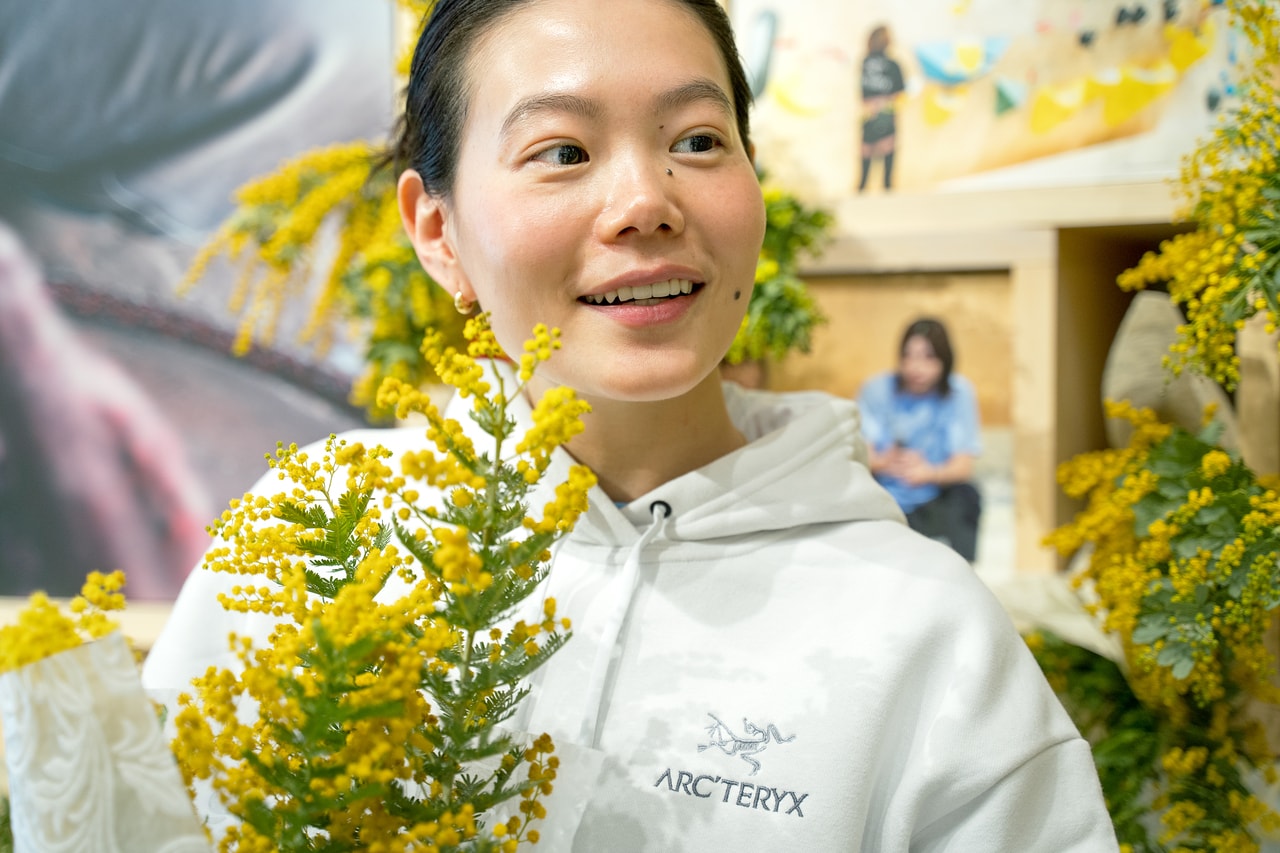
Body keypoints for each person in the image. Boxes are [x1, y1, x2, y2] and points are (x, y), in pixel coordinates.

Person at [143, 1, 1118, 850]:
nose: (645, 204)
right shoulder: (317, 533)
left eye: (696, 139)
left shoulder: (924, 630)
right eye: (560, 152)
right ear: (437, 232)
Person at [858, 318, 984, 563]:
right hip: (886, 495)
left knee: (968, 495)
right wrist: (886, 462)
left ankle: (964, 572)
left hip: (932, 495)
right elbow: (860, 454)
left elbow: (964, 466)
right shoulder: (877, 389)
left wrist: (928, 473)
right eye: (909, 356)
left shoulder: (959, 392)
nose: (917, 367)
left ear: (945, 361)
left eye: (929, 357)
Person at [858, 24, 905, 193]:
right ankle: (886, 188)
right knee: (886, 154)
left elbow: (862, 91)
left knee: (866, 155)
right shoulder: (892, 64)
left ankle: (862, 189)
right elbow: (900, 90)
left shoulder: (865, 62)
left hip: (869, 113)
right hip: (885, 113)